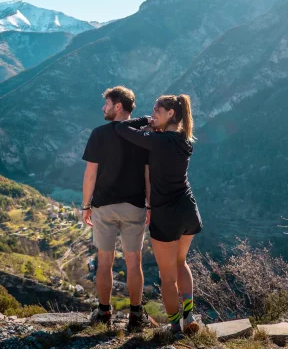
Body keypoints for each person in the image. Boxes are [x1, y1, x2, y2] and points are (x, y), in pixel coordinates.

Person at [114, 94, 202, 337]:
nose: (152, 113)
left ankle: (174, 327)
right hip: (188, 210)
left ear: (171, 113)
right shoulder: (185, 141)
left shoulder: (156, 141)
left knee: (167, 275)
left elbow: (121, 128)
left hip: (166, 214)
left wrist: (144, 120)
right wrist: (157, 125)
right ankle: (189, 315)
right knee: (181, 263)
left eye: (156, 110)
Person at [81, 86, 156, 332]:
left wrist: (85, 205)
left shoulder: (99, 134)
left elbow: (90, 174)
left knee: (105, 262)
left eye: (107, 103)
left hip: (104, 205)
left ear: (118, 106)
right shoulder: (144, 135)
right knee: (134, 262)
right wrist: (149, 204)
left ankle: (104, 313)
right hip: (134, 206)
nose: (103, 107)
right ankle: (136, 315)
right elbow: (148, 173)